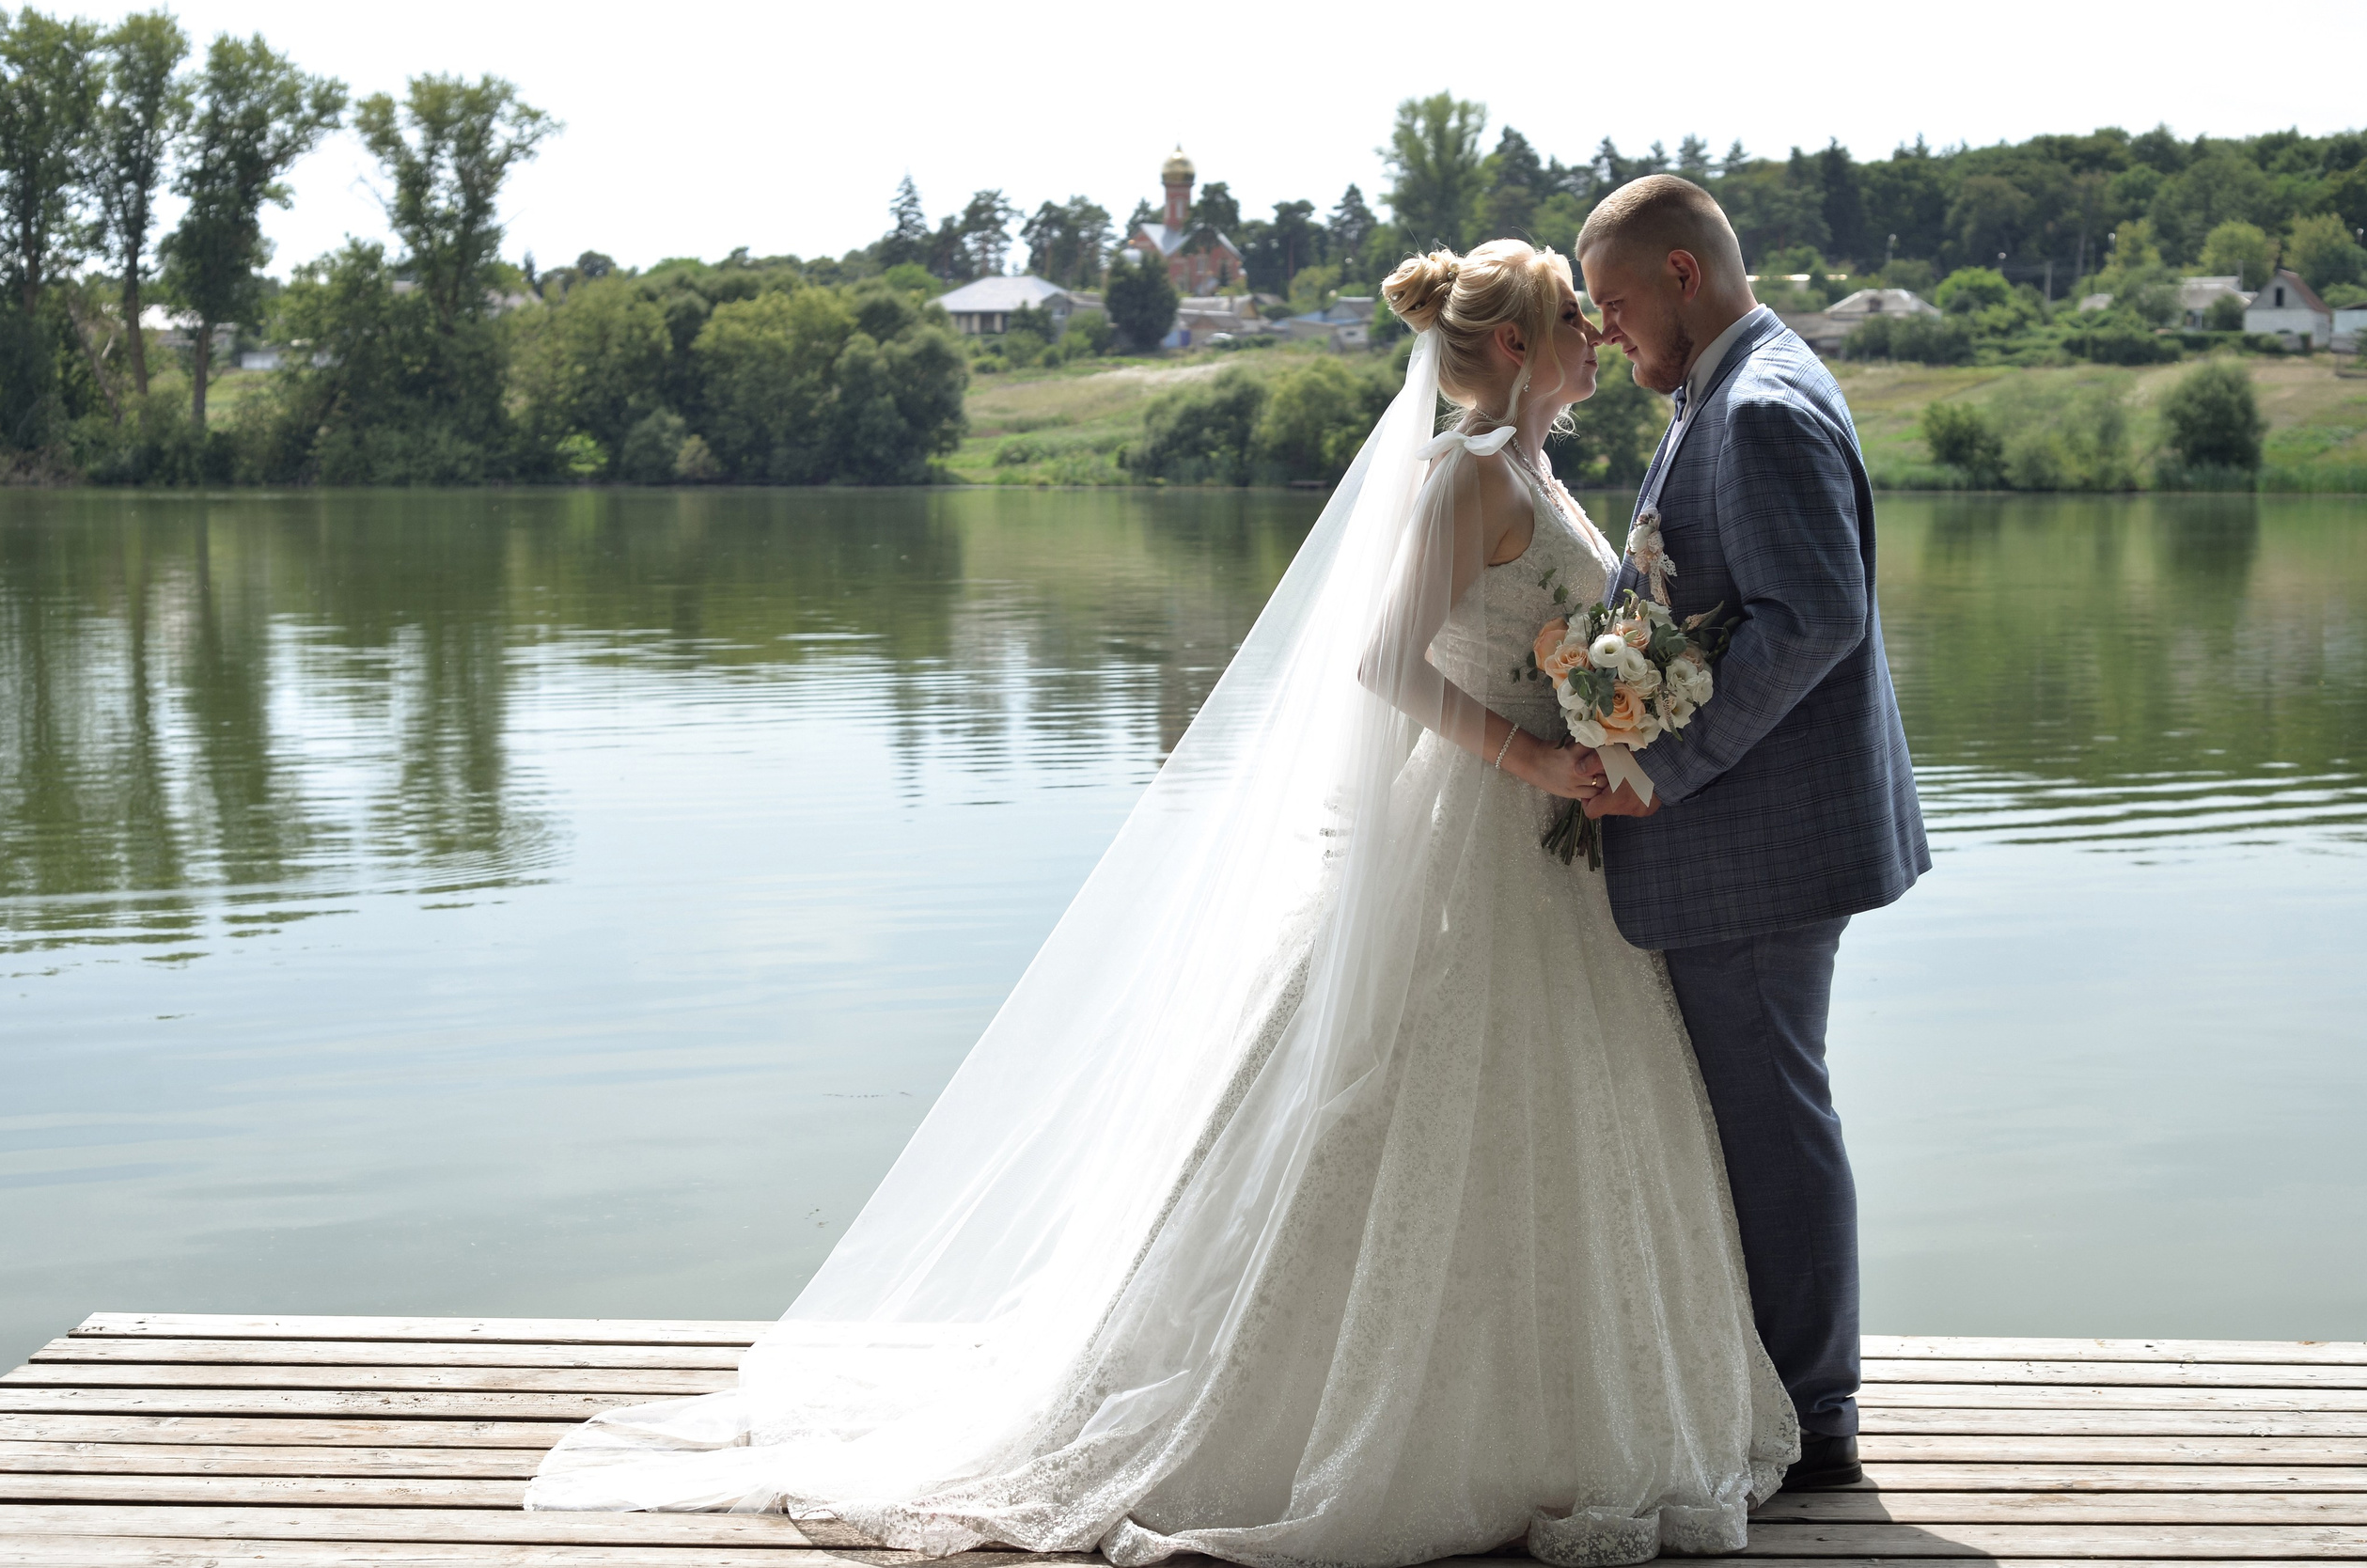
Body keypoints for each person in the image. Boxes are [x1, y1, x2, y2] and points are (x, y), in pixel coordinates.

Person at [527, 241, 1797, 1567]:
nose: (1601, 336)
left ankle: (1555, 1419)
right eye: (1576, 321)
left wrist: (1616, 709)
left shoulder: (1535, 472)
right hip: (1470, 828)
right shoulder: (1466, 479)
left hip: (1544, 853)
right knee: (1391, 1094)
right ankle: (1326, 1416)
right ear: (1527, 349)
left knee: (1553, 1114)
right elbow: (1381, 661)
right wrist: (1538, 750)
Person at [1572, 175, 1931, 1489]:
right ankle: (1785, 1395)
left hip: (1759, 841)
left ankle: (1816, 1417)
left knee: (1777, 1118)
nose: (1605, 333)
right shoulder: (1730, 384)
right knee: (1767, 1109)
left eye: (1614, 303)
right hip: (1763, 833)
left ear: (1682, 276)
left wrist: (1664, 767)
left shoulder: (1763, 404)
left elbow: (1813, 618)